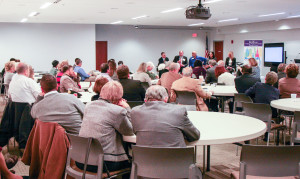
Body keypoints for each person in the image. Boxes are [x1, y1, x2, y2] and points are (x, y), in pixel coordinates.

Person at [78, 81, 133, 173]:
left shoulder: (88, 105)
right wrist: (127, 108)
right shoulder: (117, 111)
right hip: (105, 163)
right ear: (119, 97)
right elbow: (129, 131)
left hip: (82, 159)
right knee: (133, 163)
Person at [131, 85, 200, 147]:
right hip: (176, 159)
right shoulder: (179, 111)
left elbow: (136, 132)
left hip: (144, 159)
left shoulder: (135, 112)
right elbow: (194, 136)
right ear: (166, 99)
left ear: (145, 100)